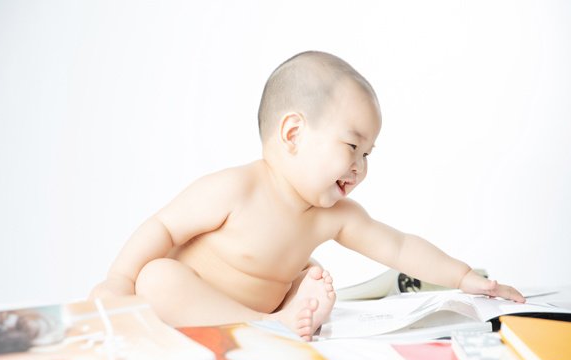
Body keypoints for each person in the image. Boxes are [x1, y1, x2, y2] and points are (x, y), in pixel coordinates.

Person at [90, 51, 525, 341]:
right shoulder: (235, 188)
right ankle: (267, 326)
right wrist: (118, 282)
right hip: (188, 305)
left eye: (368, 153)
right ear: (293, 133)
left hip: (264, 309)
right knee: (157, 278)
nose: (360, 166)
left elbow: (399, 247)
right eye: (351, 146)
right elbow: (163, 228)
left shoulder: (333, 215)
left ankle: (285, 317)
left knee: (312, 275)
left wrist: (464, 277)